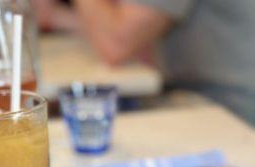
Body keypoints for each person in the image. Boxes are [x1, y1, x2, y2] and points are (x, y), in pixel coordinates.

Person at [32, 0, 255, 126]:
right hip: (203, 100)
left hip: (229, 112)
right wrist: (53, 16)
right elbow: (127, 37)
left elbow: (117, 43)